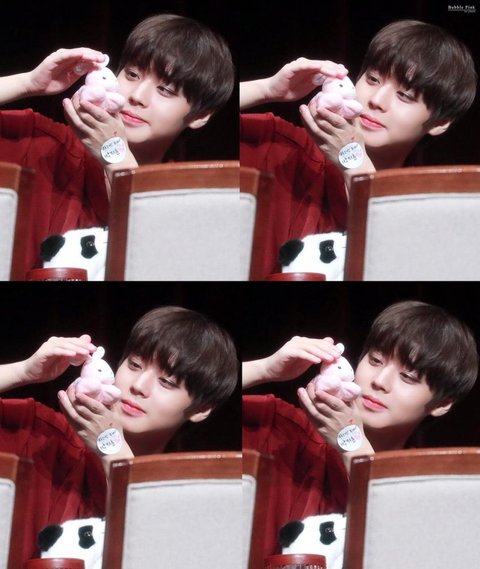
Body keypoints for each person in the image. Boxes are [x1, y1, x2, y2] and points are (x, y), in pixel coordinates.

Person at [0, 305, 238, 563]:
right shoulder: (42, 435)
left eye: (167, 382)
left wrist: (111, 448)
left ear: (202, 409)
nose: (138, 386)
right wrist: (22, 372)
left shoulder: (187, 496)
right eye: (134, 365)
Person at [0, 13, 235, 274]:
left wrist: (115, 155)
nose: (137, 96)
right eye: (132, 74)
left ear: (200, 115)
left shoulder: (186, 198)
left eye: (165, 90)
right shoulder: (42, 143)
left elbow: (168, 262)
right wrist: (26, 83)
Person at [240, 20, 477, 277]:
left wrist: (352, 161)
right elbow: (209, 114)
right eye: (372, 79)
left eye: (405, 95)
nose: (376, 100)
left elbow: (406, 264)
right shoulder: (285, 148)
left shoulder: (430, 207)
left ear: (441, 122)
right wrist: (266, 89)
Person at [242, 300, 479, 557]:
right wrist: (263, 369)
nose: (380, 381)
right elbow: (210, 396)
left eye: (408, 376)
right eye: (375, 360)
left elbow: (410, 550)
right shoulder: (283, 428)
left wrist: (352, 444)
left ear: (442, 404)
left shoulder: (430, 487)